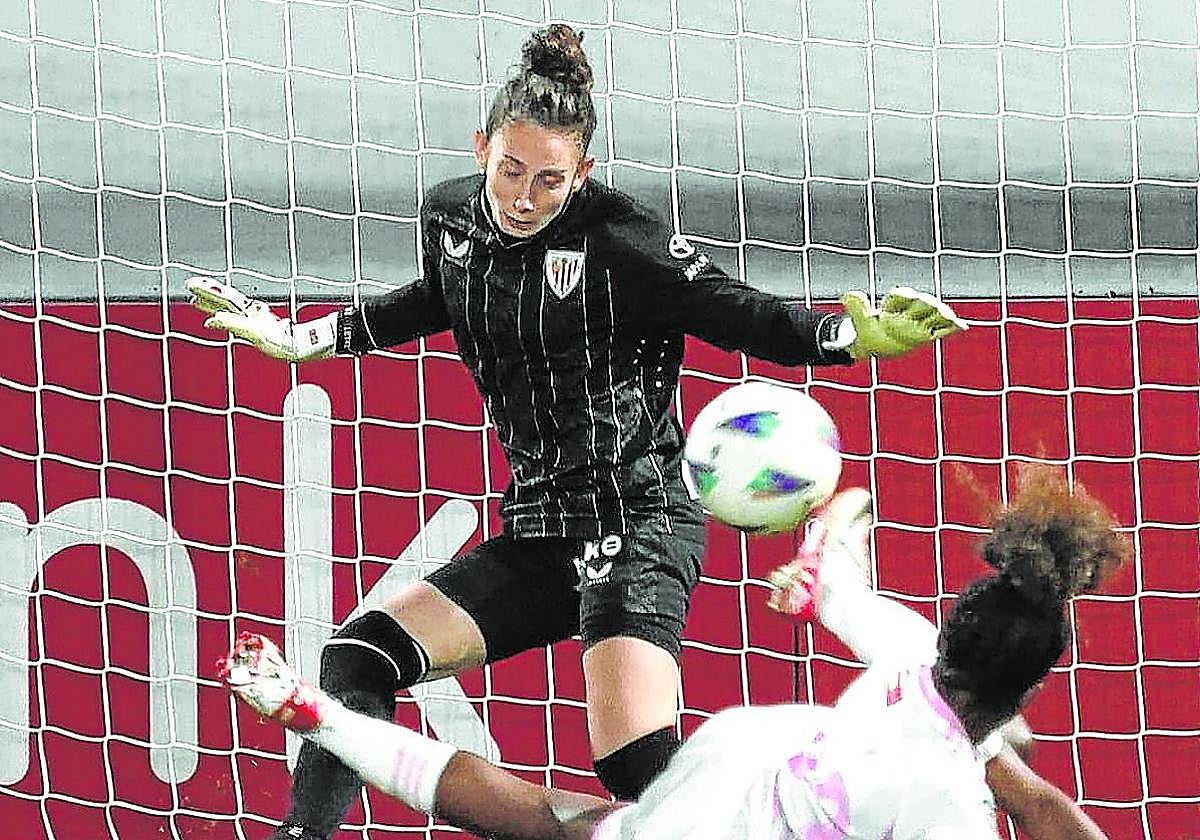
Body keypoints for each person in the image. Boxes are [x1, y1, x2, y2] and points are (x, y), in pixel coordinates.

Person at [189, 23, 967, 839]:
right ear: (482, 145)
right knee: (359, 656)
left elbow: (739, 312)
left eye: (549, 181)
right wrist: (302, 337)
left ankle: (803, 817)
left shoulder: (621, 240)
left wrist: (844, 339)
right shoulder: (450, 217)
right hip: (539, 528)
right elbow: (436, 296)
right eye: (510, 169)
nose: (523, 196)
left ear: (583, 173)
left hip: (637, 522)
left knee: (637, 770)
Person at [220, 466, 1126, 839]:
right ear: (1024, 694)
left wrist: (823, 550)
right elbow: (1031, 799)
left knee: (566, 820)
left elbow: (848, 518)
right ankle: (323, 714)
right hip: (746, 806)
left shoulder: (905, 648)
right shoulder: (950, 803)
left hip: (738, 760)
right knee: (560, 820)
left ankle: (323, 713)